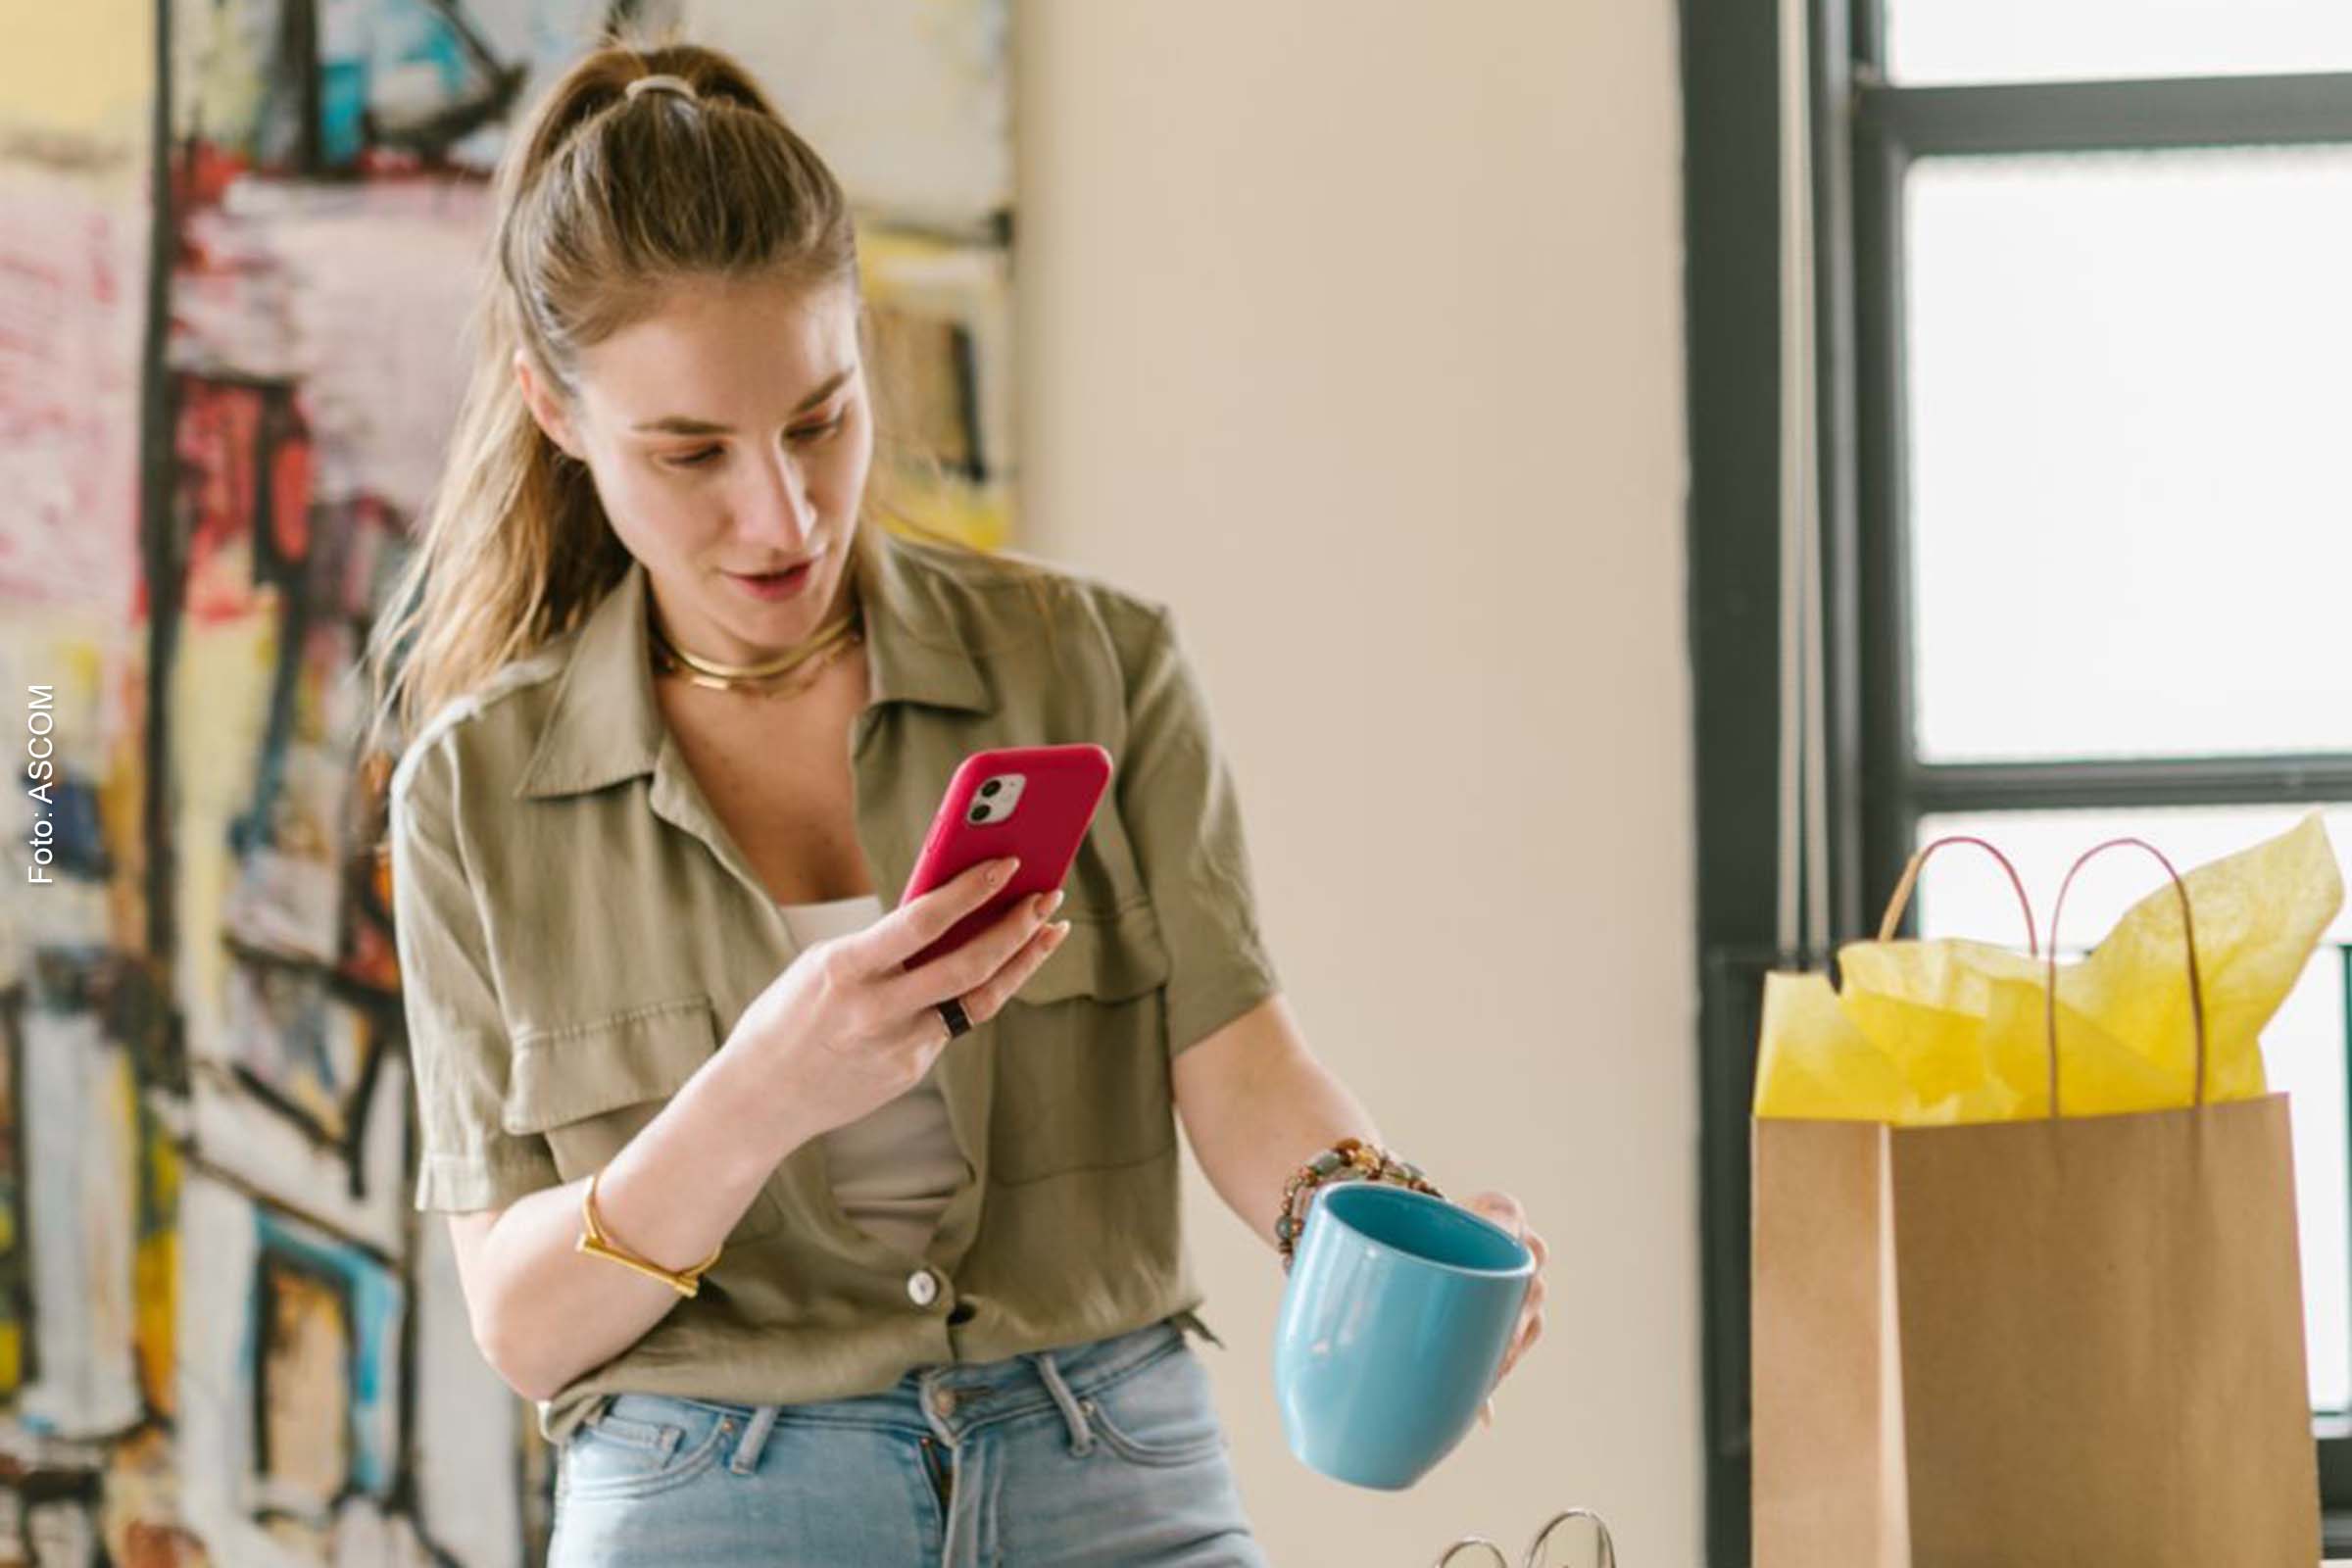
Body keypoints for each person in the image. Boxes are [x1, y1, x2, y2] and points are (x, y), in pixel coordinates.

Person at [365, 35, 1548, 1567]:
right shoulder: (473, 792)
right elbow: (524, 1329)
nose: (780, 512)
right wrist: (761, 1091)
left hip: (1110, 1471)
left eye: (819, 417)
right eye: (691, 452)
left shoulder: (1095, 666)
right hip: (709, 1498)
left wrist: (1383, 1233)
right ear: (558, 411)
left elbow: (1247, 1071)